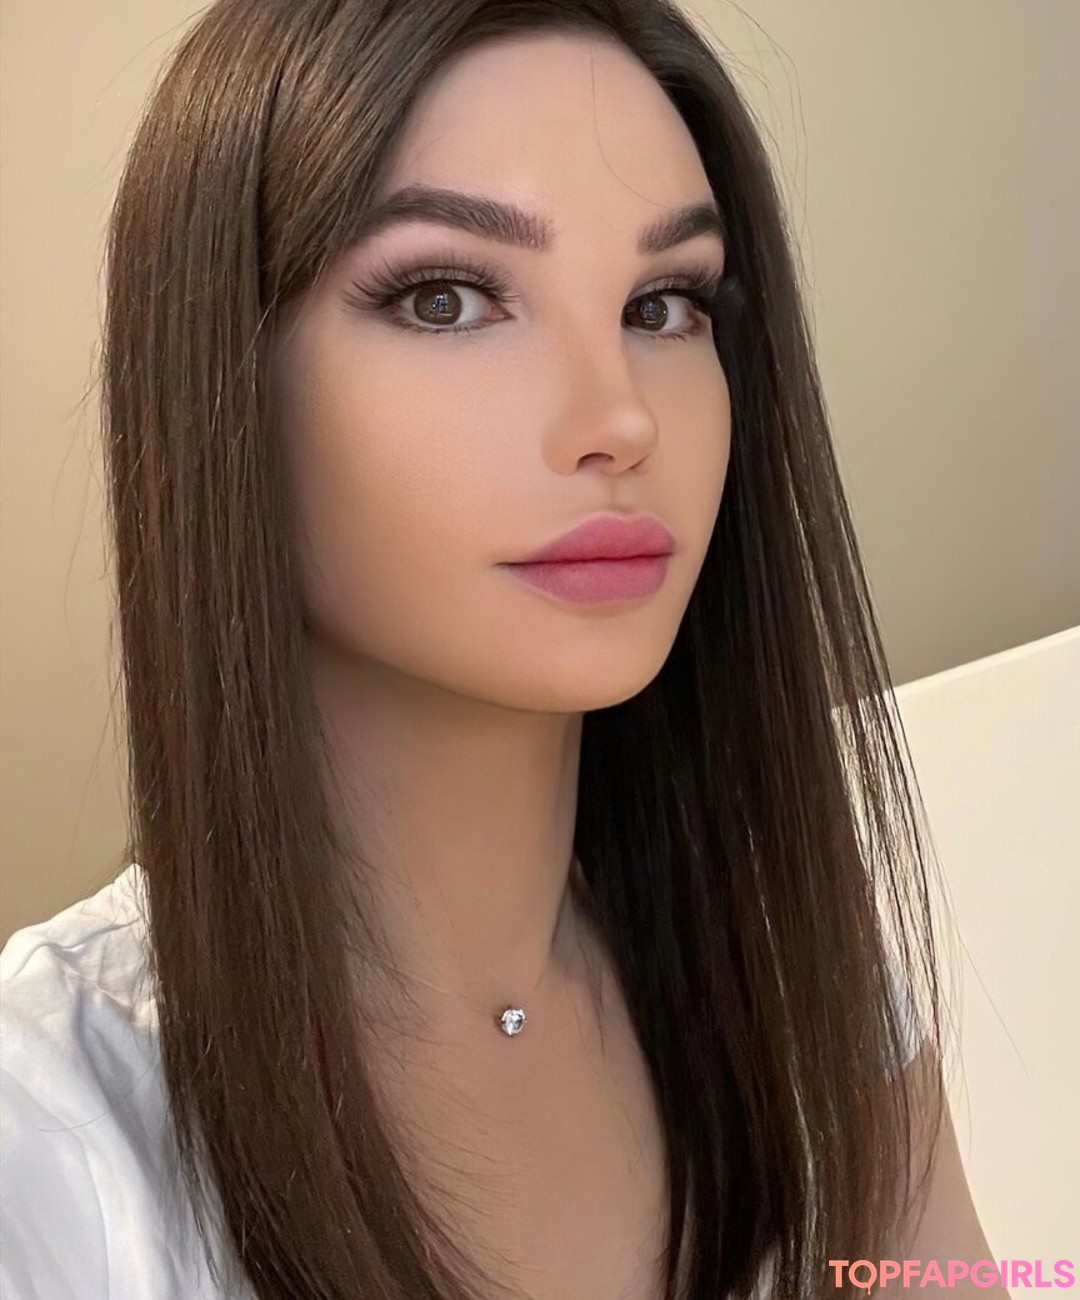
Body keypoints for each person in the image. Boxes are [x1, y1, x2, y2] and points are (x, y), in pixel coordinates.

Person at [1, 2, 1007, 1297]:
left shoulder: (786, 954)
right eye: (447, 299)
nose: (619, 419)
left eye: (663, 303)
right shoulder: (47, 1138)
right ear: (221, 380)